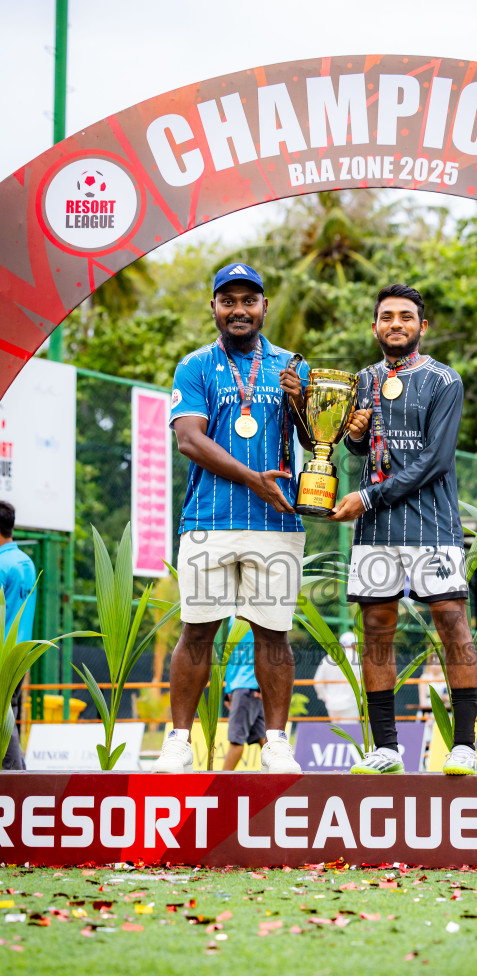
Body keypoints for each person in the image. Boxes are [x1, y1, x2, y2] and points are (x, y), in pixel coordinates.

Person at [154, 263, 311, 774]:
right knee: (198, 630)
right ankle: (179, 741)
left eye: (249, 300)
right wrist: (253, 480)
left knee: (273, 635)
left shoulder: (293, 366)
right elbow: (189, 440)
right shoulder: (194, 366)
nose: (239, 310)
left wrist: (302, 402)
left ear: (265, 306)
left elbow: (316, 441)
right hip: (209, 519)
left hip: (277, 522)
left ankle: (277, 743)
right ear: (214, 307)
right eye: (228, 301)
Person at [329, 283, 477, 775]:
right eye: (387, 316)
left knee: (452, 623)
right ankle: (388, 748)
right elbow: (364, 450)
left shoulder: (444, 380)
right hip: (377, 531)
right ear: (374, 326)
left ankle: (464, 746)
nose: (396, 324)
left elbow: (436, 460)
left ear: (422, 326)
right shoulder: (362, 380)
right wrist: (353, 438)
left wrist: (367, 495)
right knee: (376, 631)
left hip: (433, 523)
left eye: (406, 317)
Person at [0, 502, 37, 771]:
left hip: (3, 655)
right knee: (8, 713)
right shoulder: (26, 562)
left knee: (4, 719)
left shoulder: (2, 565)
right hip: (21, 655)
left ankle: (18, 778)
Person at [222, 621, 266, 770]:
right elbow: (232, 655)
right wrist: (228, 689)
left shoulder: (255, 612)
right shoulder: (232, 614)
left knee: (236, 742)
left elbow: (265, 648)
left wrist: (261, 686)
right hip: (242, 687)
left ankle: (218, 786)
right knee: (265, 739)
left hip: (247, 687)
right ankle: (284, 782)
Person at [314, 631, 361, 721]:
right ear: (354, 644)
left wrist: (325, 697)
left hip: (332, 704)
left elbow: (317, 681)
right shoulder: (357, 658)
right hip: (351, 703)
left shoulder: (328, 658)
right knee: (351, 733)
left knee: (336, 732)